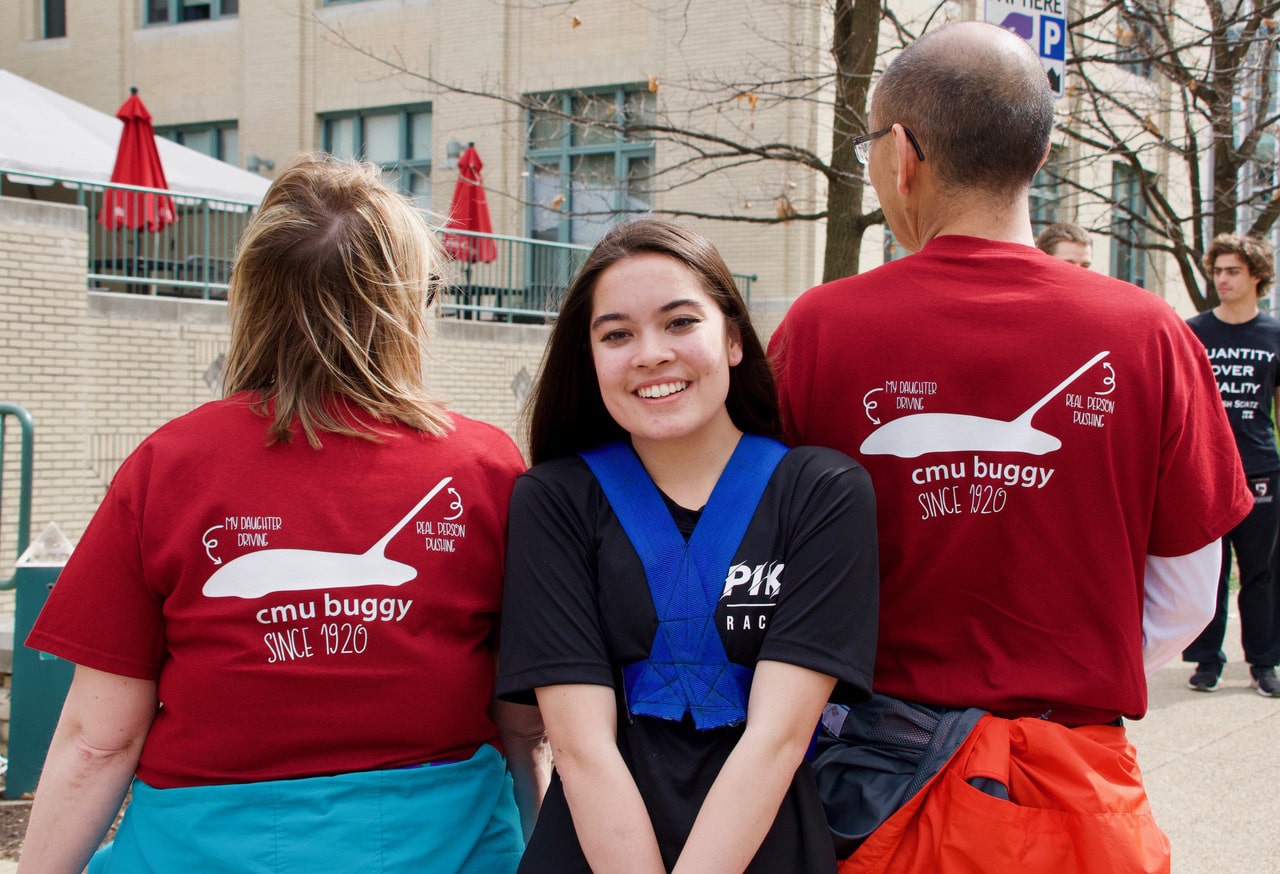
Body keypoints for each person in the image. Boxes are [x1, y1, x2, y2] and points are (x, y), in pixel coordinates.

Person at [768, 22, 1252, 874]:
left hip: (877, 798)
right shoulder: (1151, 334)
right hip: (1076, 799)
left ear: (903, 153)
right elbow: (1186, 599)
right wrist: (1063, 667)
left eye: (871, 144)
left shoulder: (821, 328)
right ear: (1041, 149)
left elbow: (768, 568)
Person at [19, 154, 547, 873]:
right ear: (407, 306)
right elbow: (525, 728)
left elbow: (98, 739)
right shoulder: (486, 470)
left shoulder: (168, 466)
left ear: (253, 296)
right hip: (445, 847)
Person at [497, 218, 879, 873]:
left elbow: (778, 736)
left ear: (732, 338)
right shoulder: (553, 500)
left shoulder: (824, 493)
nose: (650, 354)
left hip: (766, 848)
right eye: (617, 334)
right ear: (589, 359)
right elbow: (581, 747)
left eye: (679, 323)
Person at [1182, 233, 1280, 697]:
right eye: (1218, 270)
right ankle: (1206, 661)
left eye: (1232, 271)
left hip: (1260, 467)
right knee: (1211, 571)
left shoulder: (1274, 335)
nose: (1221, 278)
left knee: (1260, 571)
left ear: (1256, 277)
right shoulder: (1194, 331)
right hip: (1206, 468)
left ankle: (1263, 662)